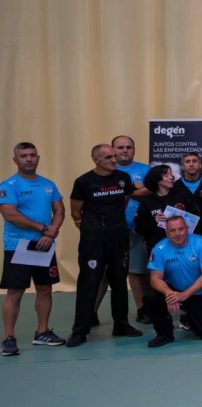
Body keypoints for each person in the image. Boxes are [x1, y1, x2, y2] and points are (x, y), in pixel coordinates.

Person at [67, 144, 142, 346]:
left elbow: (125, 200)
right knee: (88, 283)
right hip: (93, 241)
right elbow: (75, 211)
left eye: (114, 156)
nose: (114, 160)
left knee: (119, 281)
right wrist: (91, 227)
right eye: (108, 157)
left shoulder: (123, 178)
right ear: (96, 160)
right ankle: (80, 330)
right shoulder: (83, 182)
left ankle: (121, 325)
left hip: (119, 238)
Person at [1, 142, 66, 354]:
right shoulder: (9, 185)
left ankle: (42, 332)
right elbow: (10, 214)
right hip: (18, 245)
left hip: (44, 244)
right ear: (15, 160)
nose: (29, 159)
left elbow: (59, 210)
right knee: (15, 292)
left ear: (37, 158)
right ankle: (9, 338)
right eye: (24, 156)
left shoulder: (48, 184)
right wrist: (43, 228)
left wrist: (49, 233)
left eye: (32, 155)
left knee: (45, 289)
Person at [144, 214, 202, 347]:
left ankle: (188, 316)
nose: (178, 233)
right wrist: (169, 293)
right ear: (167, 232)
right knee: (151, 296)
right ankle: (164, 334)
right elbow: (155, 279)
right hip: (174, 290)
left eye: (181, 229)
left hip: (199, 292)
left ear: (187, 229)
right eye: (173, 230)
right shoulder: (159, 249)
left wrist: (184, 295)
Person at [110, 135, 151, 325]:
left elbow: (151, 190)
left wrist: (124, 190)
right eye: (120, 147)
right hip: (112, 229)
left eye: (128, 147)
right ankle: (91, 313)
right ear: (113, 150)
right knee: (108, 274)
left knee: (139, 270)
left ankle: (143, 308)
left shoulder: (145, 169)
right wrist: (134, 189)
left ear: (134, 149)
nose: (125, 150)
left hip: (139, 228)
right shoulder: (107, 170)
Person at [134, 165, 200, 255]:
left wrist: (181, 220)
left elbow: (195, 215)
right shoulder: (147, 202)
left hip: (185, 246)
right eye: (166, 175)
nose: (171, 177)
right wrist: (154, 221)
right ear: (156, 179)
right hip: (158, 248)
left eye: (171, 174)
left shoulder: (182, 194)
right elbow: (139, 228)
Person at [175, 152, 202, 239]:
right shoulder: (175, 187)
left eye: (194, 161)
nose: (191, 164)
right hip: (183, 233)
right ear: (182, 166)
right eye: (187, 162)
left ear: (200, 165)